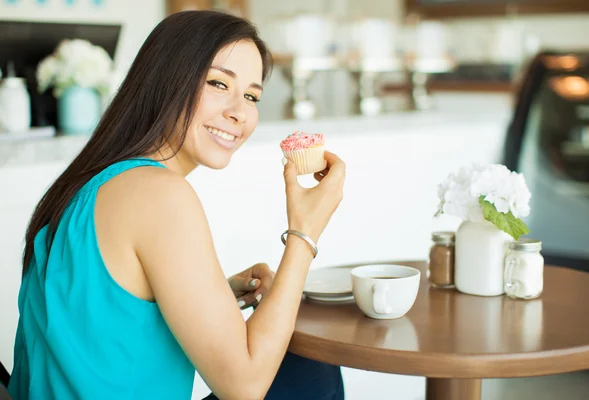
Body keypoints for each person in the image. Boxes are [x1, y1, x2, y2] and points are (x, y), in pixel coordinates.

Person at [8, 10, 346, 400]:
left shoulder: (93, 182)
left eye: (251, 96)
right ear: (166, 82)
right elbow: (245, 386)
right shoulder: (160, 195)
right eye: (219, 83)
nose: (239, 112)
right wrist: (305, 233)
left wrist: (214, 291)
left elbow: (96, 320)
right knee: (311, 362)